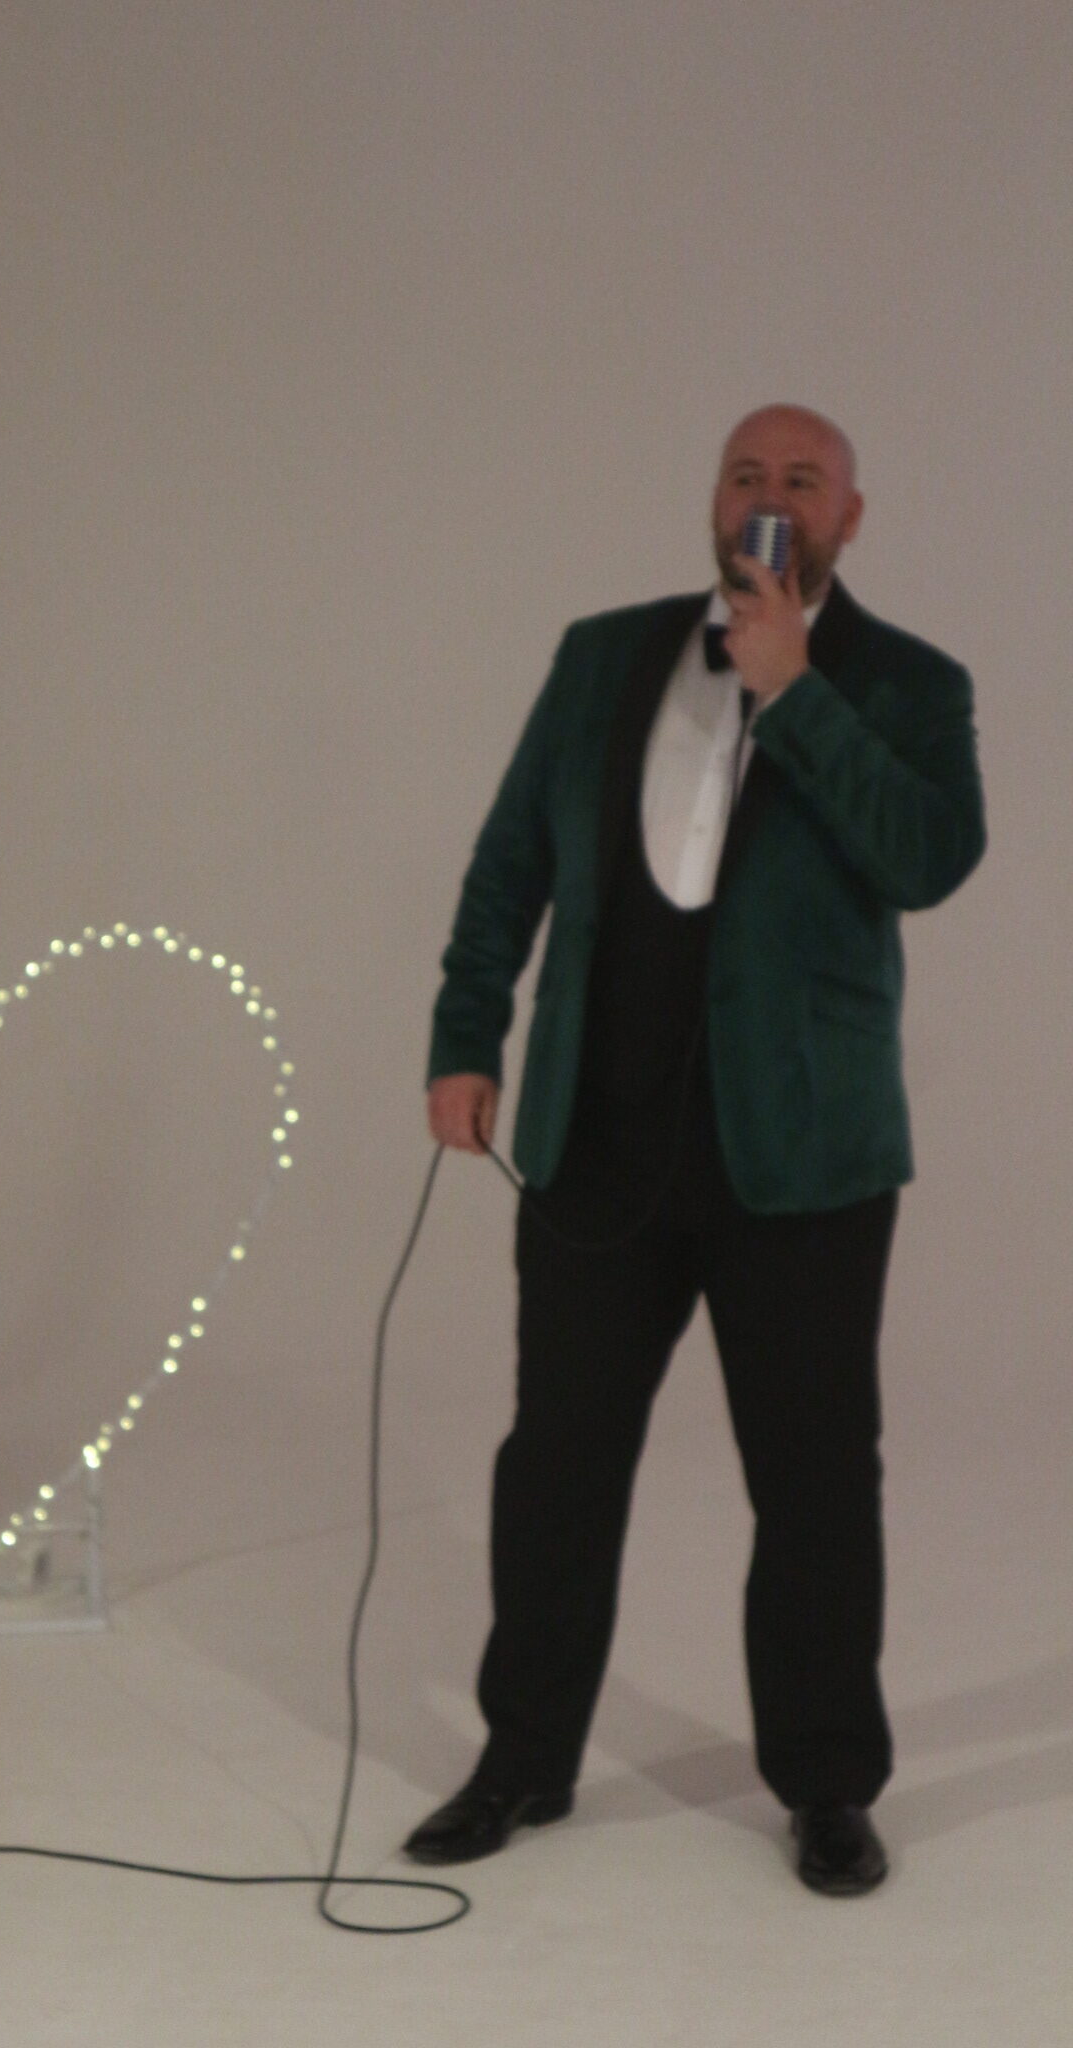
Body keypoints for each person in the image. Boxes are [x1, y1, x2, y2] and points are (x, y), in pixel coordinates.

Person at [405, 405, 985, 1895]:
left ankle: (828, 1786)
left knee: (812, 1484)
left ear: (849, 517)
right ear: (714, 503)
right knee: (558, 1466)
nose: (768, 497)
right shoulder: (603, 656)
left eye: (802, 479)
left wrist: (797, 692)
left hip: (802, 1159)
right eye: (745, 475)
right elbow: (509, 860)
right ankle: (523, 1760)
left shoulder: (911, 684)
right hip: (598, 1142)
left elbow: (929, 857)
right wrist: (468, 1035)